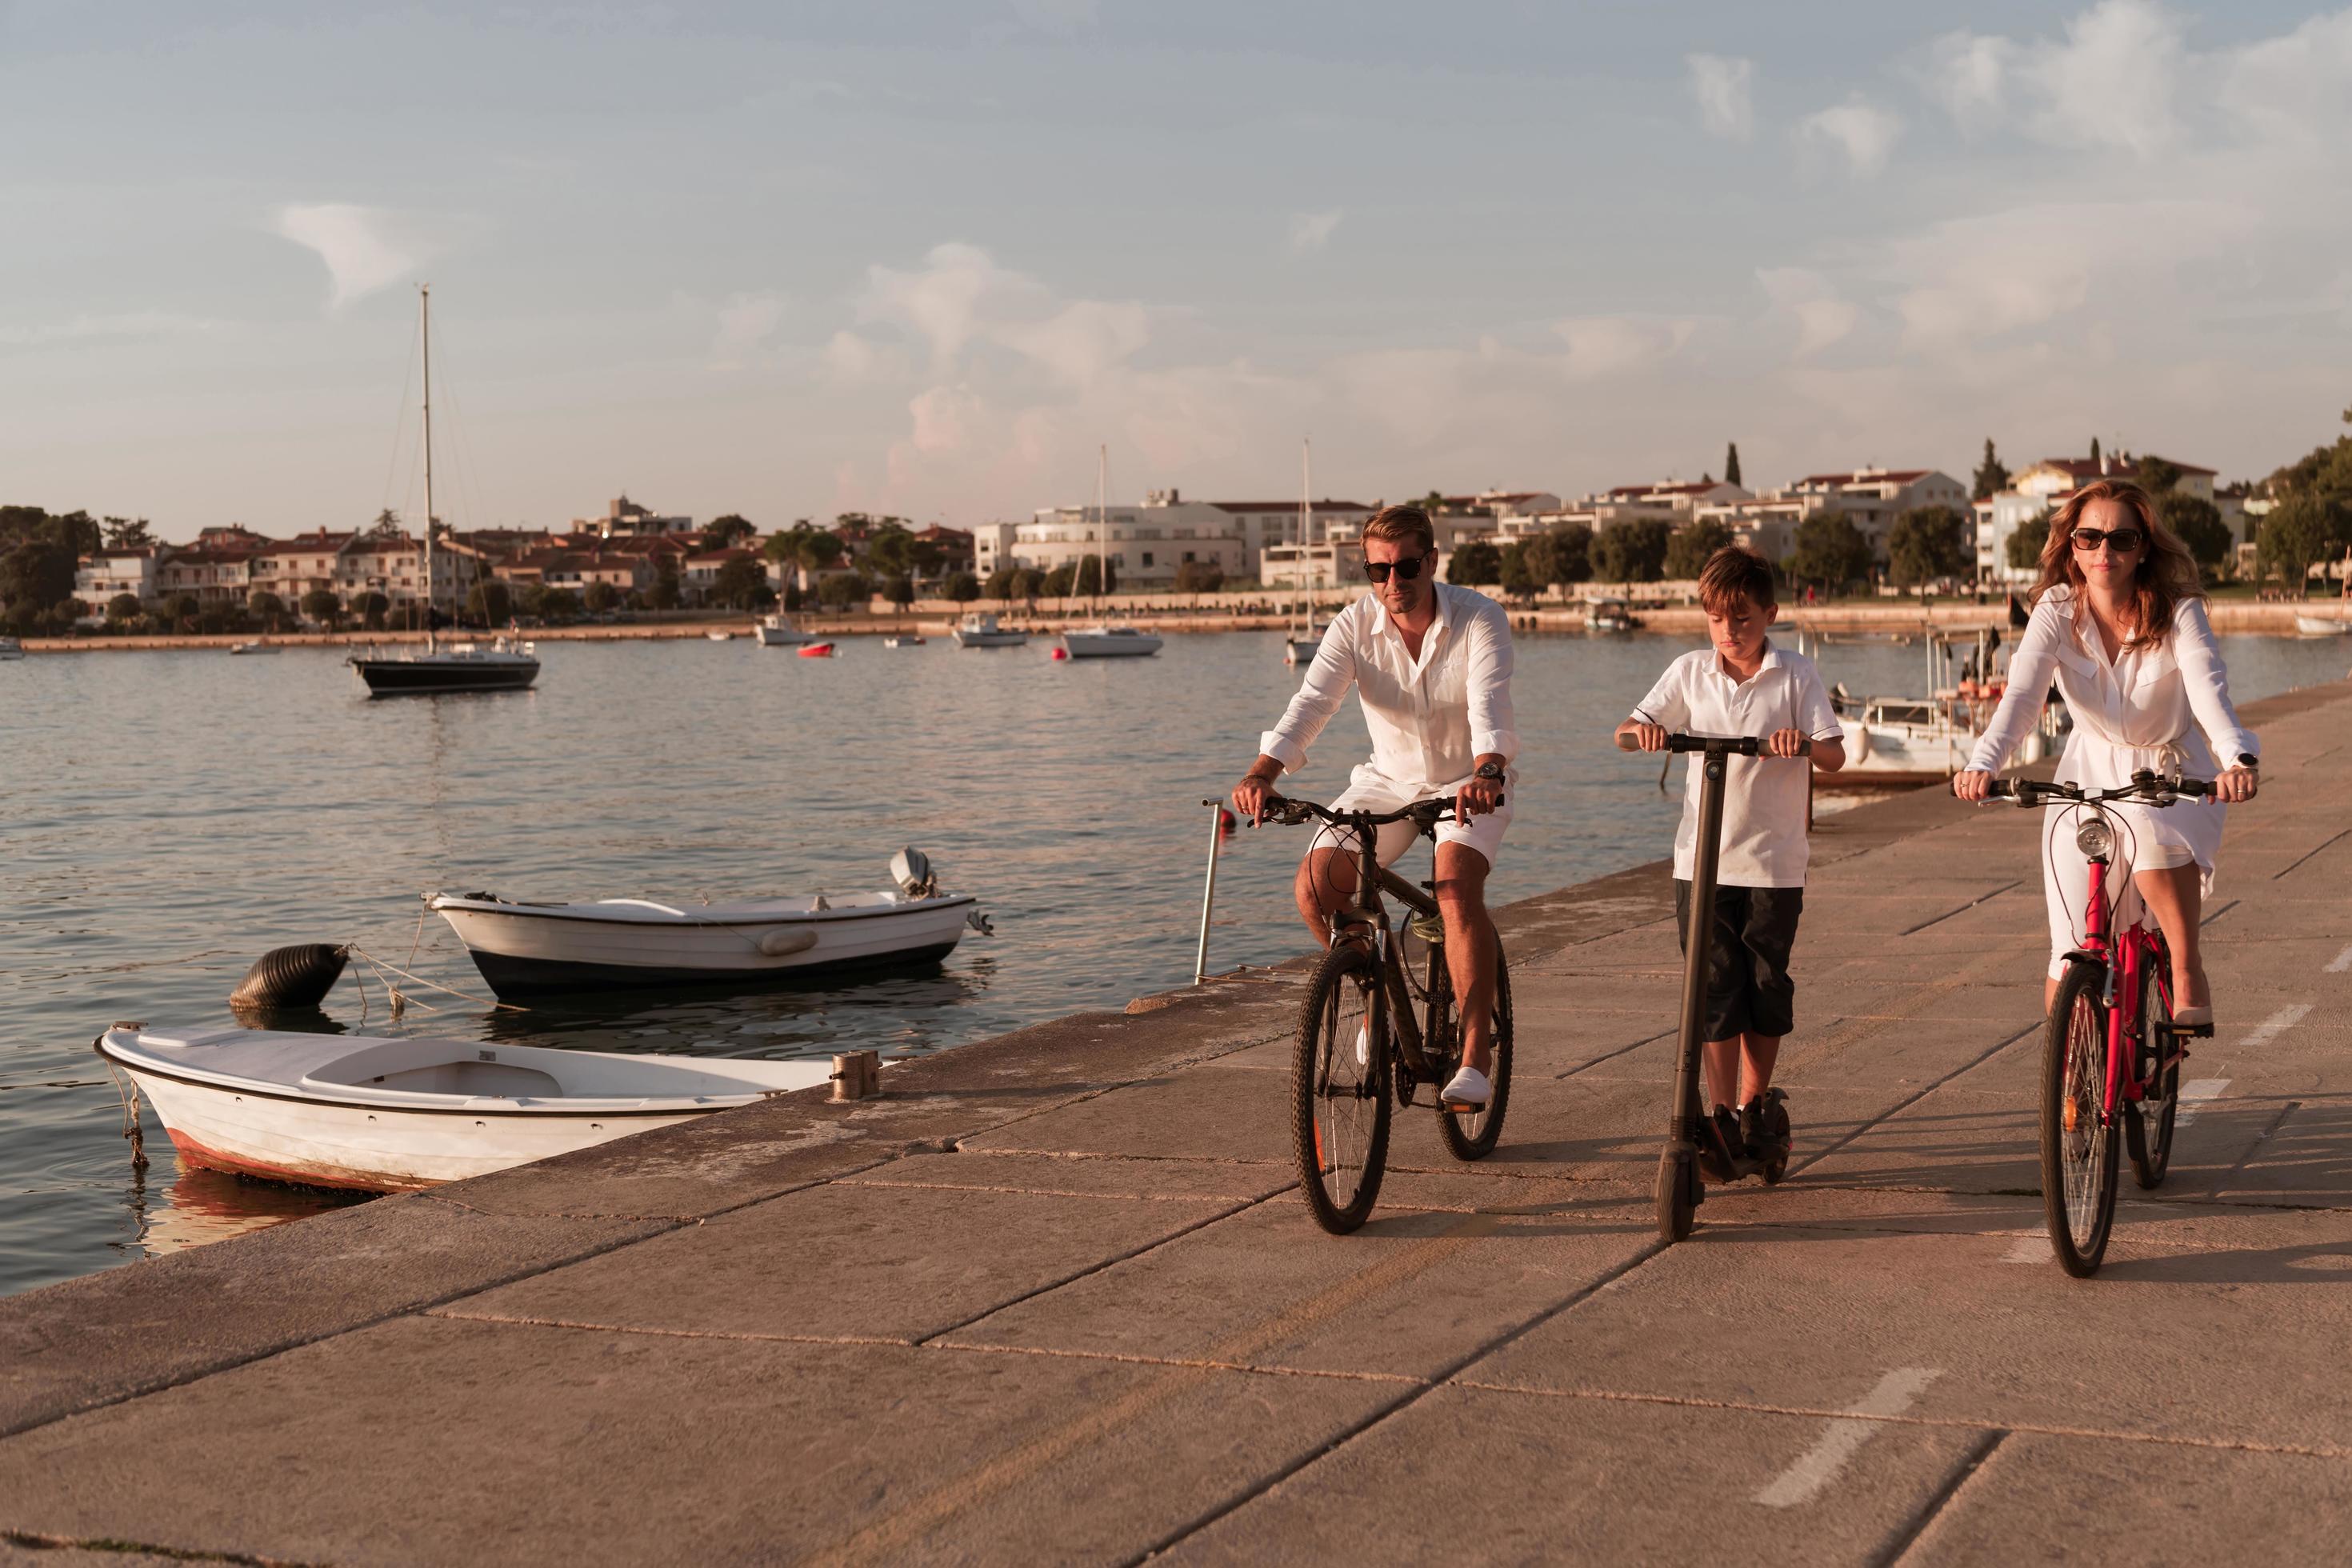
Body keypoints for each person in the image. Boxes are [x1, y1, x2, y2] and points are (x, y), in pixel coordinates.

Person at [1232, 504, 1514, 1108]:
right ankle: (1375, 1002)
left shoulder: (1479, 619)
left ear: (1431, 562)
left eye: (1406, 566)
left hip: (1468, 781)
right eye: (1378, 571)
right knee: (1315, 888)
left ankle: (1474, 1058)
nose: (1393, 582)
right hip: (1387, 780)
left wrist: (1489, 771)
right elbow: (1312, 705)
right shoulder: (1354, 626)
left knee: (1455, 888)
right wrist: (1263, 773)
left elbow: (1490, 702)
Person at [1954, 479, 2258, 1026]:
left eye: (2120, 539)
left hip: (2170, 769)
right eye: (2089, 537)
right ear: (2071, 545)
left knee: (2150, 838)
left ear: (2143, 547)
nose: (2103, 552)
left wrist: (2237, 758)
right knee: (2071, 944)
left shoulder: (2178, 611)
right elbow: (2022, 697)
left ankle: (2187, 968)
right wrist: (1984, 764)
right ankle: (2071, 1083)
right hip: (2088, 770)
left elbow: (2209, 691)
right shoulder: (2055, 608)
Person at [1615, 546, 1846, 1178]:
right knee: (1712, 989)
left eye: (1742, 618)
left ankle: (1752, 1102)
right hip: (1703, 861)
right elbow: (1626, 728)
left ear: (1770, 614)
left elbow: (1834, 756)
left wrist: (1798, 744)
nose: (1730, 631)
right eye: (1718, 618)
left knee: (1766, 987)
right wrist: (1650, 732)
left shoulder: (1795, 674)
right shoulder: (1691, 671)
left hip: (1773, 863)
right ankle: (1717, 1111)